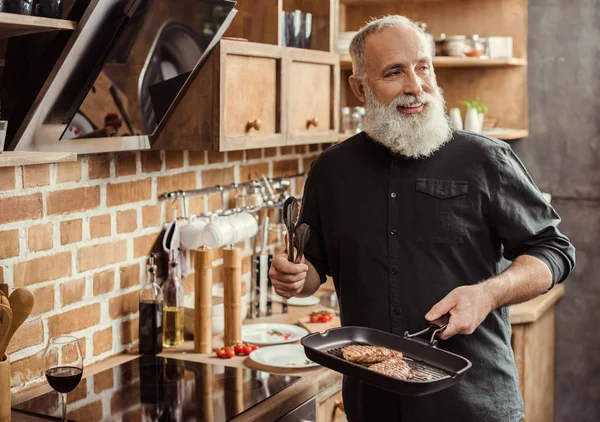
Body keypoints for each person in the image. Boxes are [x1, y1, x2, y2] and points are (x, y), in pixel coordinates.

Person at [269, 15, 575, 422]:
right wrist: (294, 277)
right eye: (394, 72)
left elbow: (554, 250)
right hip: (373, 407)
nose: (415, 86)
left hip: (473, 405)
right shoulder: (330, 171)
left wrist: (489, 294)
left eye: (423, 66)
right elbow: (313, 270)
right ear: (360, 88)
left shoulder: (485, 158)